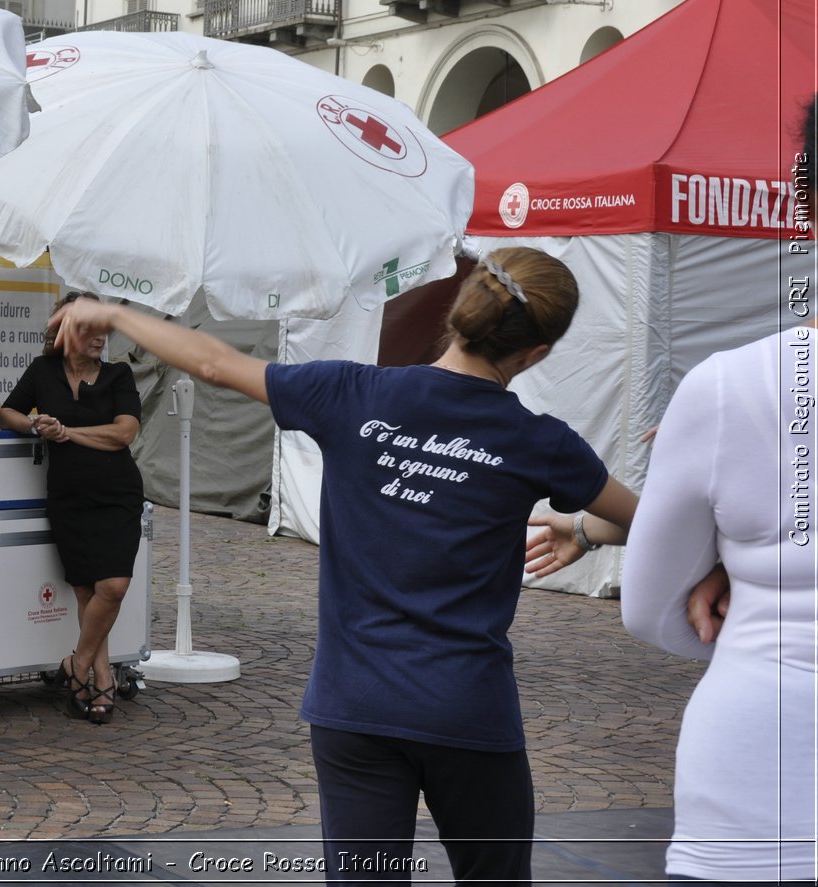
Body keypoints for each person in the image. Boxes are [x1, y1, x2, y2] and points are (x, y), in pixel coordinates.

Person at [49, 248, 636, 884]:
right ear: (537, 352)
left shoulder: (351, 392)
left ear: (462, 307)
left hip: (354, 710)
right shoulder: (540, 442)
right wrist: (581, 528)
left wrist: (112, 312)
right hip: (467, 712)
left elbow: (215, 363)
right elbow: (650, 519)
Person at [614, 99, 817, 884]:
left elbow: (648, 608)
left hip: (754, 772)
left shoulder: (729, 387)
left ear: (801, 198)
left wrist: (747, 575)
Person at [0, 292, 143, 724]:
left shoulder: (118, 375)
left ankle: (77, 665)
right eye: (90, 327)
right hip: (68, 497)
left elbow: (124, 433)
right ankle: (100, 679)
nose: (100, 336)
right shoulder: (43, 371)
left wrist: (67, 432)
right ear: (65, 330)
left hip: (117, 495)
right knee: (85, 590)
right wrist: (34, 424)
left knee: (113, 586)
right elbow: (7, 413)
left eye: (104, 327)